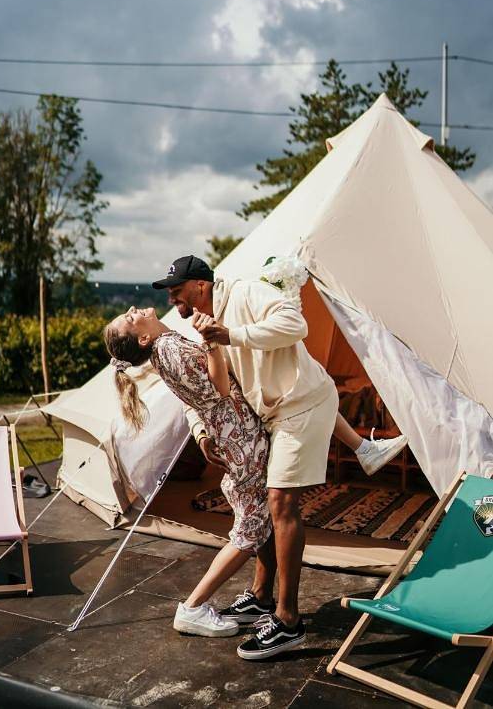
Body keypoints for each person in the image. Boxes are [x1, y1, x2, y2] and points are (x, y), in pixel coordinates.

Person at [152, 255, 407, 660]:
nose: (172, 299)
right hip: (270, 417)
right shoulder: (192, 328)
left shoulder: (246, 292)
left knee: (280, 502)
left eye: (176, 290)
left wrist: (230, 334)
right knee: (259, 505)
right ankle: (261, 596)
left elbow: (296, 326)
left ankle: (289, 621)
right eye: (168, 293)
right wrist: (201, 431)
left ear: (200, 285)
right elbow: (196, 388)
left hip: (301, 406)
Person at [104, 306, 274, 639]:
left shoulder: (163, 348)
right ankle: (193, 607)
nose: (131, 309)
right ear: (142, 336)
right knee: (250, 531)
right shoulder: (168, 348)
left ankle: (261, 597)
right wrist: (211, 343)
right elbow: (219, 390)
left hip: (231, 436)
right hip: (240, 437)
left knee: (259, 519)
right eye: (128, 318)